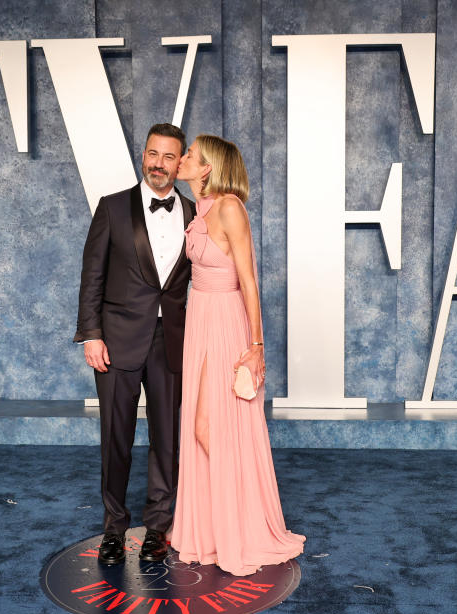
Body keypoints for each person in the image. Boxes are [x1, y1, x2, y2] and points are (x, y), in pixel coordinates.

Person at [170, 134, 304, 576]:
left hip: (225, 322)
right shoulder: (199, 209)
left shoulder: (229, 207)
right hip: (199, 320)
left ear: (206, 168)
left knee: (212, 426)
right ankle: (211, 529)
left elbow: (248, 280)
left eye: (189, 154)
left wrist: (256, 346)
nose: (182, 158)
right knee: (199, 426)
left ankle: (241, 527)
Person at [74, 124, 194, 565]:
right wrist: (92, 334)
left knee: (168, 441)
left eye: (168, 157)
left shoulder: (196, 212)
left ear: (180, 164)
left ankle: (159, 528)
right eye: (152, 154)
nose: (158, 164)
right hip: (117, 340)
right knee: (116, 439)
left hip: (173, 343)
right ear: (143, 154)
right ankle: (113, 527)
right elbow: (93, 276)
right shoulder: (112, 208)